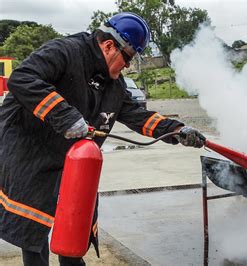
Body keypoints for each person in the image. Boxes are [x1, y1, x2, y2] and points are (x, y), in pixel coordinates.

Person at [0, 12, 205, 265]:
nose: (129, 66)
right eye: (128, 57)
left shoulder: (113, 86)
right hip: (32, 151)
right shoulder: (65, 51)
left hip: (73, 160)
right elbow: (22, 78)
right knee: (34, 229)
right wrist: (64, 116)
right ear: (109, 46)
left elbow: (137, 115)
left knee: (75, 222)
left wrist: (177, 130)